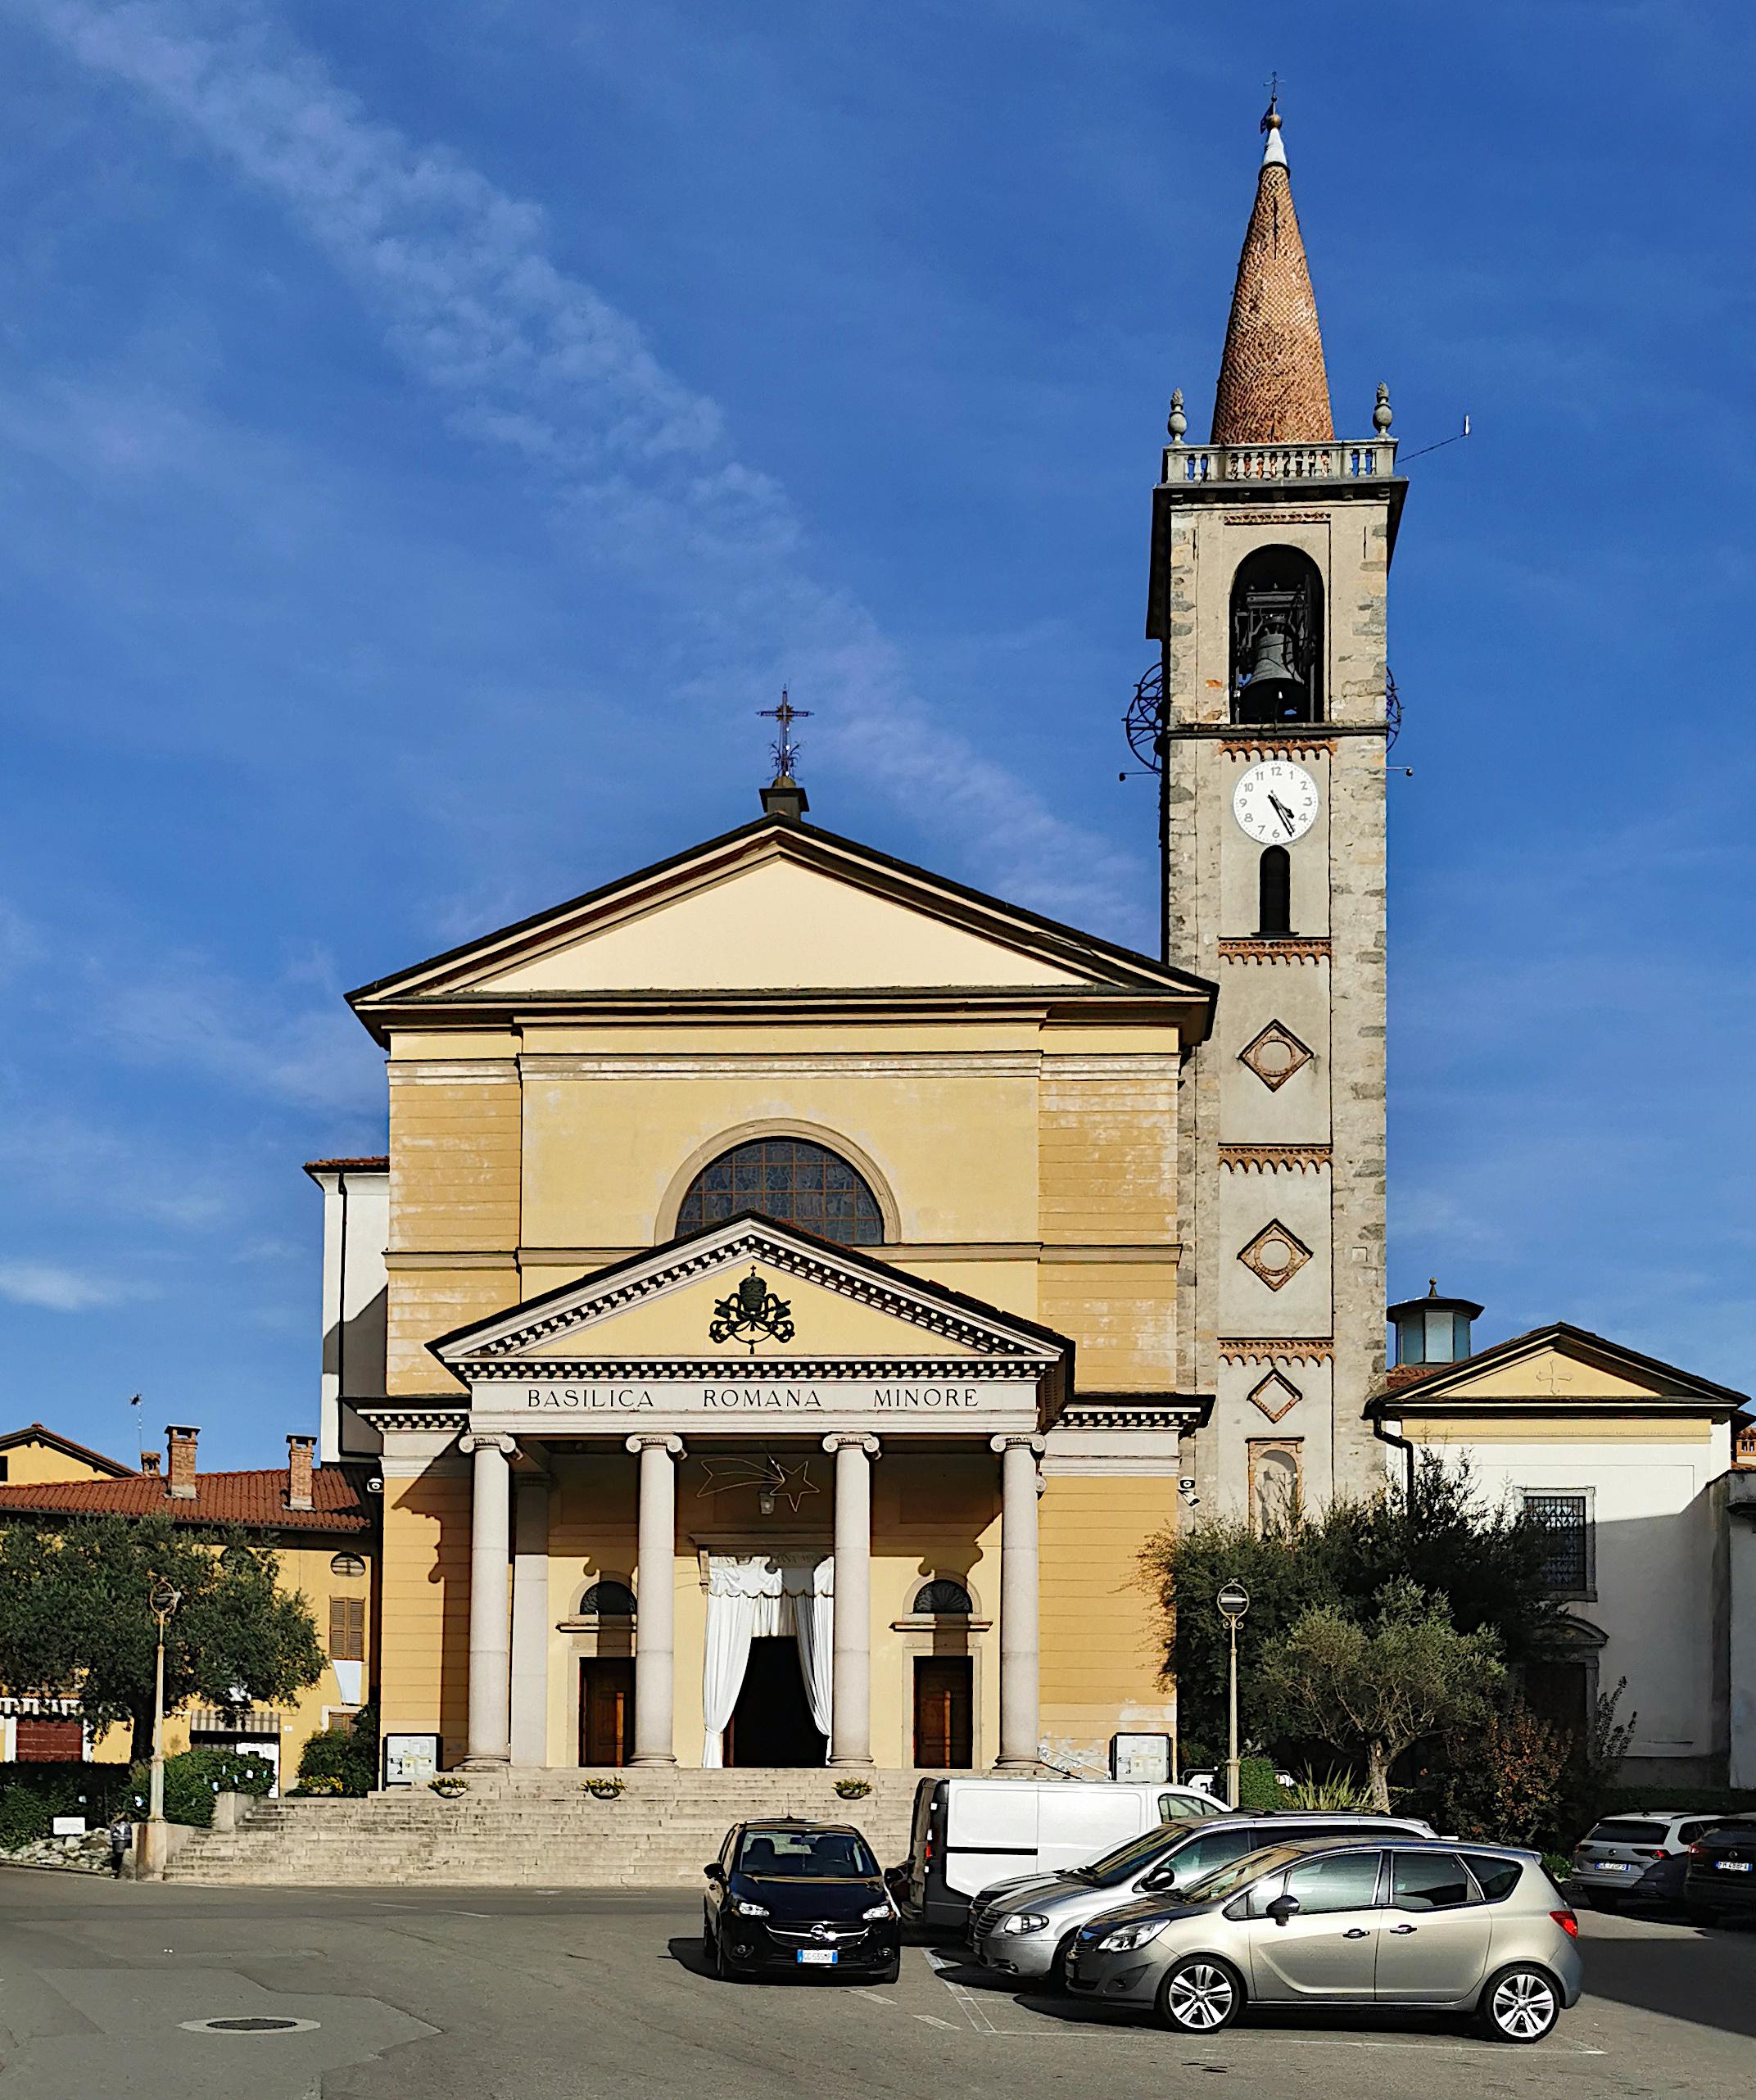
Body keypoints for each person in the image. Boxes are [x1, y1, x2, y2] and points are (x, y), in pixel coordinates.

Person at [107, 1815, 132, 1879]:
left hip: (122, 1843)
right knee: (118, 1858)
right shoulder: (115, 1826)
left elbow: (130, 1835)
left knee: (119, 1858)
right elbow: (113, 1834)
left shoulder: (128, 1826)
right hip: (119, 1843)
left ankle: (118, 1872)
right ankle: (117, 1872)